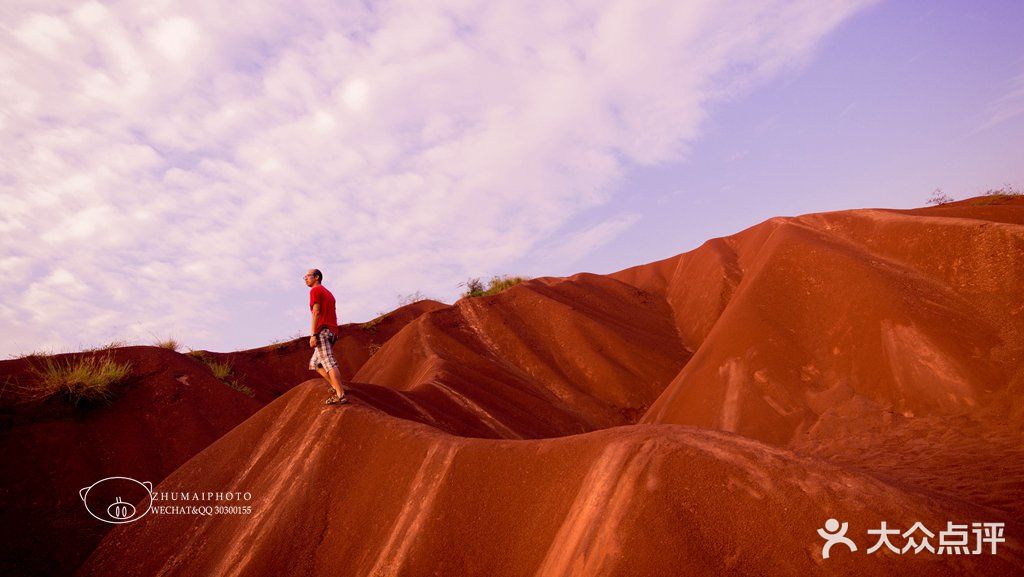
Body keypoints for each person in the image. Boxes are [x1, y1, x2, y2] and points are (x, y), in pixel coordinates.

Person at [304, 268, 348, 405]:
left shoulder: (315, 291)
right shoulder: (329, 293)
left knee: (328, 362)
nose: (305, 278)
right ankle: (337, 387)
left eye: (308, 275)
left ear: (316, 277)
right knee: (316, 363)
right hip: (332, 330)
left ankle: (340, 394)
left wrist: (313, 334)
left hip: (322, 331)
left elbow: (316, 312)